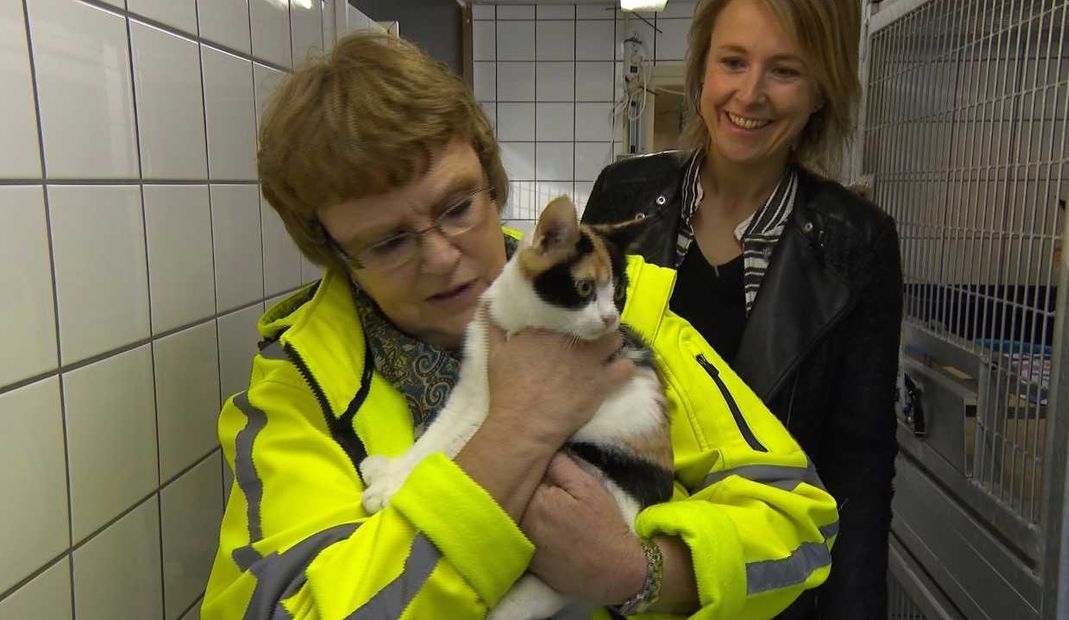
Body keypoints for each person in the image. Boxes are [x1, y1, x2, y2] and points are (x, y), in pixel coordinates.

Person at [202, 31, 838, 619]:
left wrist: (639, 572)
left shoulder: (625, 317)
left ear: (492, 182)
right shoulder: (299, 392)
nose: (442, 257)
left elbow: (799, 524)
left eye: (457, 207)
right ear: (341, 254)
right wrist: (516, 431)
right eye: (390, 241)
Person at [581, 1, 903, 618]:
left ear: (819, 93)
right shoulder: (623, 192)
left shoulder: (856, 240)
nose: (749, 94)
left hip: (767, 587)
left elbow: (859, 462)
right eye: (733, 61)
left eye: (784, 71)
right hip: (623, 565)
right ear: (703, 68)